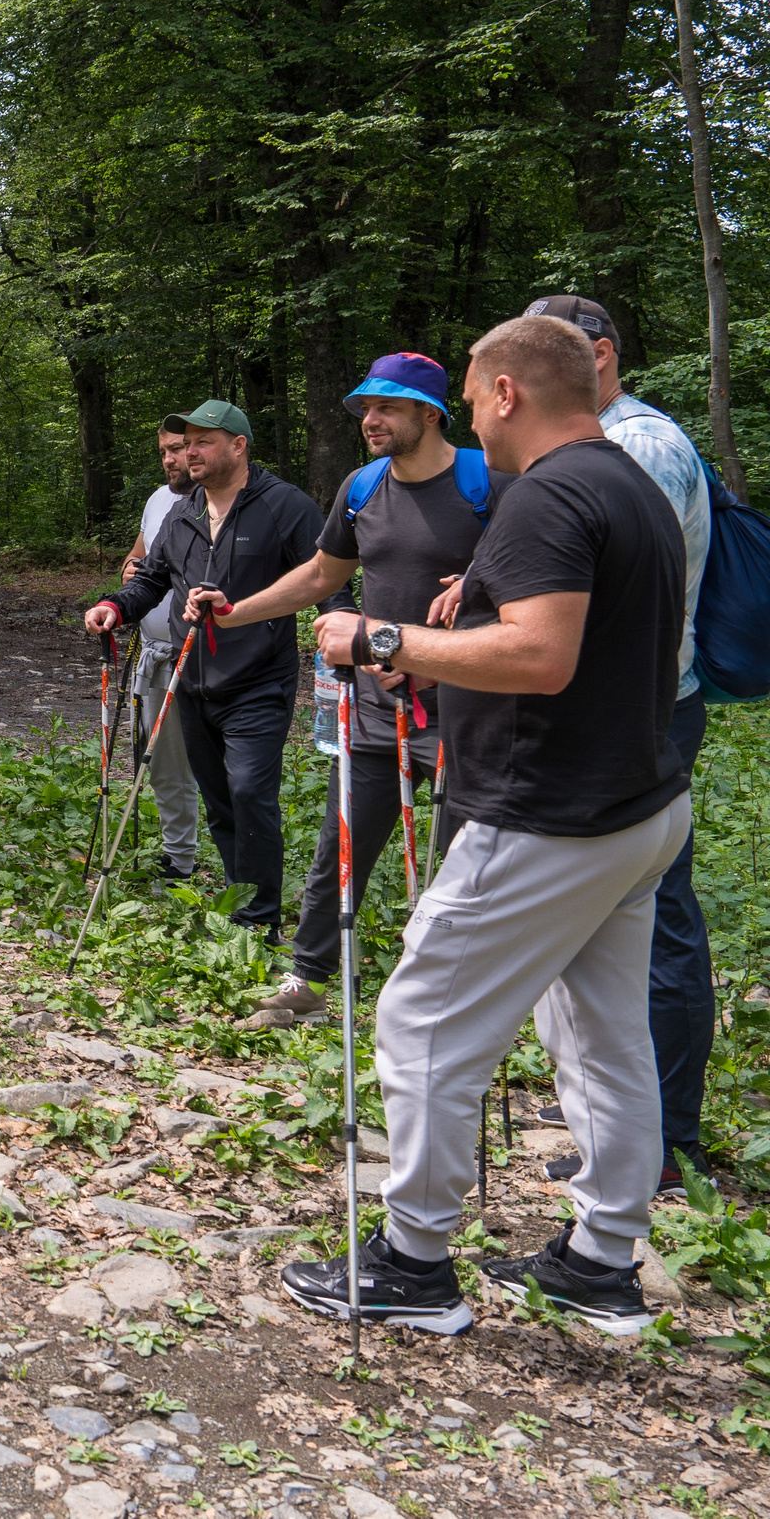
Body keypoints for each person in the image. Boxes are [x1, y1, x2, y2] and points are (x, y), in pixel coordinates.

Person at [281, 312, 691, 1336]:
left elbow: (541, 656)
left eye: (470, 398)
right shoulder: (628, 484)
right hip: (634, 805)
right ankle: (601, 1259)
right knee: (599, 1036)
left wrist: (381, 637)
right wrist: (466, 616)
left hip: (545, 812)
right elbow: (571, 629)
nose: (471, 418)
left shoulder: (548, 494)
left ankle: (413, 1263)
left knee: (421, 1018)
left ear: (506, 392)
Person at [192, 355, 510, 1029]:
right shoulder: (362, 488)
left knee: (466, 863)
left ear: (431, 413)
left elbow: (530, 584)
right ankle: (308, 980)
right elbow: (319, 575)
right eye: (366, 407)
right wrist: (234, 612)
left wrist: (468, 596)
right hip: (374, 710)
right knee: (340, 847)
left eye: (387, 407)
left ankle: (455, 1000)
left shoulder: (490, 481)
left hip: (468, 711)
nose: (370, 420)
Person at [524, 296, 717, 1199]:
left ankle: (666, 1138)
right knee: (610, 918)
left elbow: (604, 591)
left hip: (643, 711)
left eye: (553, 351)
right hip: (629, 704)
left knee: (656, 915)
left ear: (599, 355)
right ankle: (616, 1114)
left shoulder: (637, 446)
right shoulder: (613, 442)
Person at [84, 400, 323, 938]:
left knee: (250, 791)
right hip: (189, 679)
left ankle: (260, 920)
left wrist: (343, 634)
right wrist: (115, 606)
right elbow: (152, 578)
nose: (190, 452)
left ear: (238, 446)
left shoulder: (285, 505)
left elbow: (324, 577)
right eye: (186, 442)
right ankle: (242, 902)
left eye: (203, 442)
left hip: (259, 678)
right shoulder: (183, 512)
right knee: (219, 799)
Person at [119, 423, 201, 881]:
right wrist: (130, 571)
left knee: (220, 765)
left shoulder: (223, 505)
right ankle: (179, 859)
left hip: (202, 653)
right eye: (164, 451)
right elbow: (138, 558)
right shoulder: (156, 500)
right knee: (164, 762)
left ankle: (242, 870)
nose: (170, 459)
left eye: (178, 449)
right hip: (154, 653)